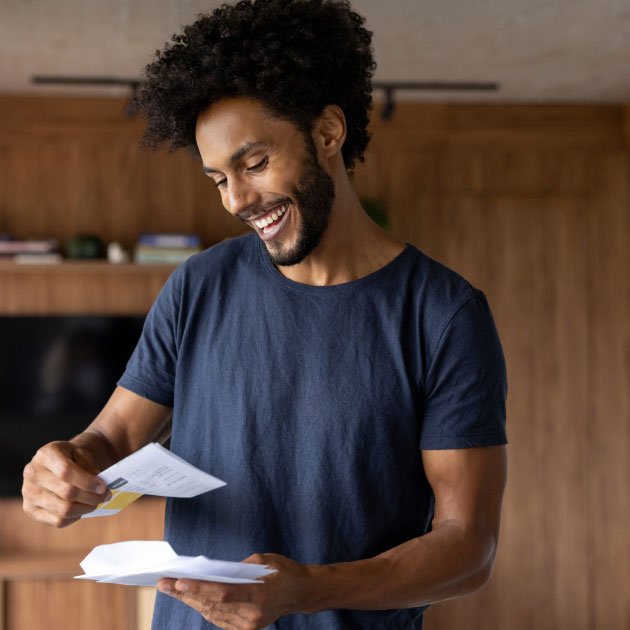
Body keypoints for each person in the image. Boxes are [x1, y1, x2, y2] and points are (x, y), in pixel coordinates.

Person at [22, 1, 508, 628]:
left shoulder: (444, 315)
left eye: (254, 164)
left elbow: (468, 548)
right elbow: (112, 438)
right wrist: (64, 463)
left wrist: (308, 588)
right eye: (218, 178)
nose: (238, 201)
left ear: (328, 133)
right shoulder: (197, 286)